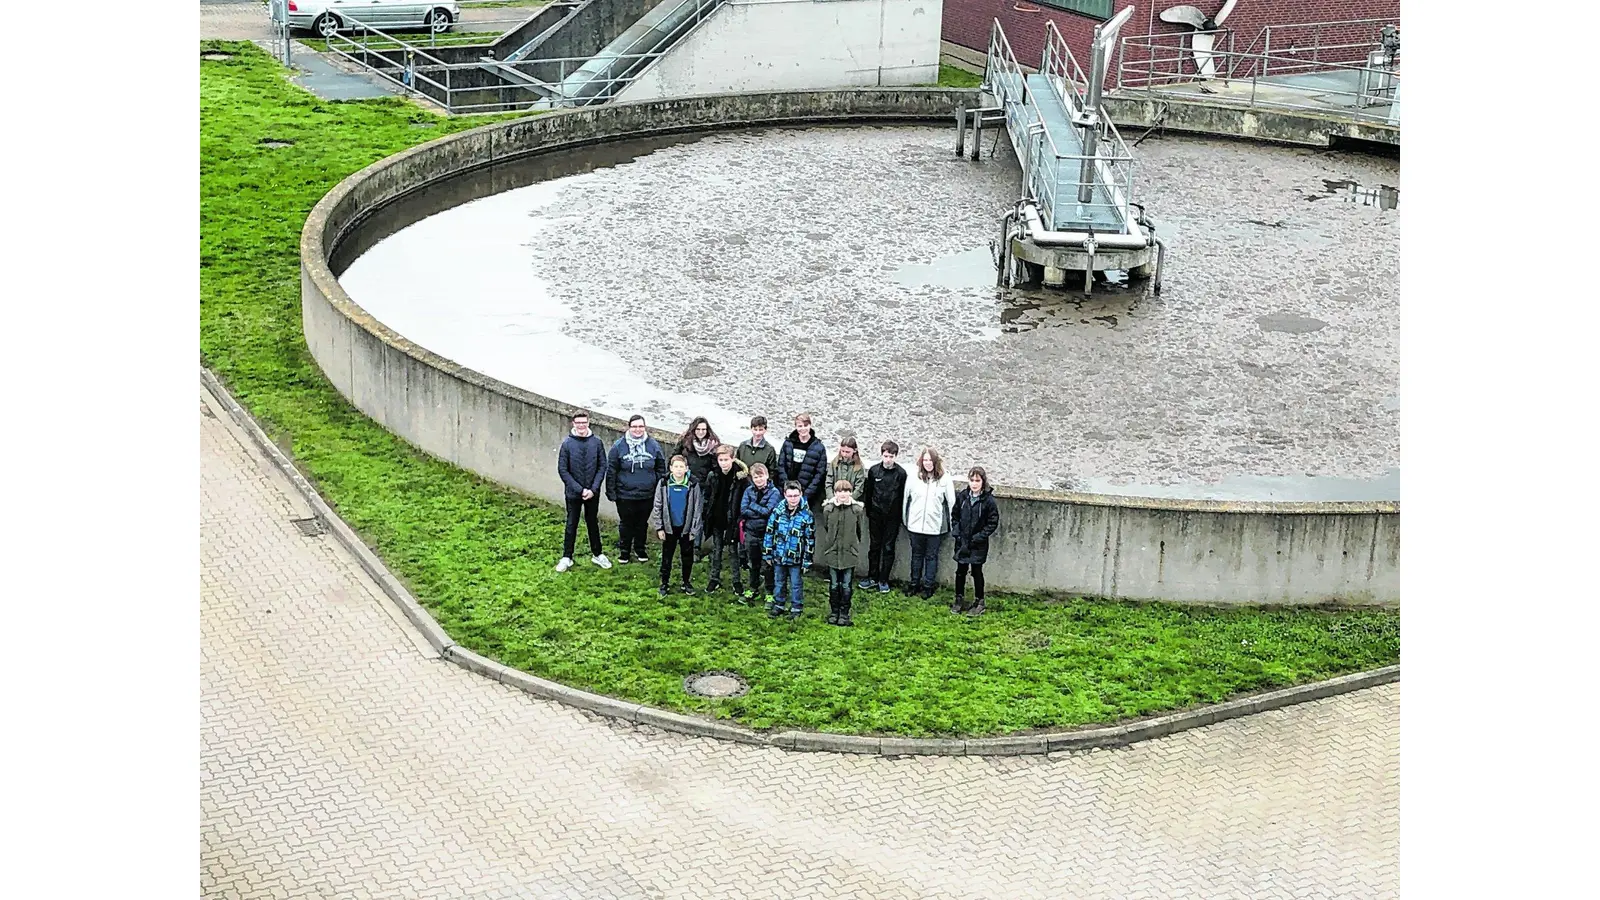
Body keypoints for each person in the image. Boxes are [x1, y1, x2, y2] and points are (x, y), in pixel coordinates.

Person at [555, 410, 611, 573]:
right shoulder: (567, 444)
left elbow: (602, 466)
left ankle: (597, 554)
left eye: (584, 422)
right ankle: (567, 557)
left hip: (593, 493)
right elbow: (563, 470)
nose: (581, 426)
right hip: (574, 493)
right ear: (573, 424)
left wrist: (593, 489)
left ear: (588, 423)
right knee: (571, 523)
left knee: (592, 522)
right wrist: (580, 490)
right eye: (578, 423)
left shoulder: (597, 442)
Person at [606, 414, 666, 564]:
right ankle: (624, 551)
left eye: (641, 426)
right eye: (634, 426)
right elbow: (612, 470)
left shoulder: (653, 445)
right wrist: (611, 491)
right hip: (625, 494)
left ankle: (640, 549)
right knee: (626, 523)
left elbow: (660, 467)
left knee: (642, 524)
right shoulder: (619, 446)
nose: (638, 429)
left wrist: (656, 487)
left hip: (647, 495)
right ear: (629, 428)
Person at [902, 446, 956, 599]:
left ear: (935, 461)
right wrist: (907, 521)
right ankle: (914, 583)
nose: (927, 463)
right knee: (916, 556)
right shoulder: (913, 477)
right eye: (925, 460)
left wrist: (951, 526)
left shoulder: (945, 479)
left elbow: (951, 504)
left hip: (935, 528)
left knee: (931, 557)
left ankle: (928, 586)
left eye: (930, 460)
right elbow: (906, 500)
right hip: (915, 525)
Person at [649, 455, 703, 598]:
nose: (679, 470)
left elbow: (697, 508)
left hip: (686, 528)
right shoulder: (664, 483)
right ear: (671, 468)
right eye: (676, 467)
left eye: (681, 467)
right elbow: (658, 505)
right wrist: (659, 527)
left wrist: (694, 530)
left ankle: (686, 582)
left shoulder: (693, 484)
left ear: (686, 469)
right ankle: (664, 583)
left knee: (687, 558)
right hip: (669, 528)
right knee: (667, 556)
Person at [951, 466, 1001, 615]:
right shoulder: (963, 496)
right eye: (972, 480)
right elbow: (955, 516)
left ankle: (980, 600)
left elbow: (992, 522)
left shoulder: (988, 501)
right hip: (963, 541)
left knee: (977, 571)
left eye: (977, 480)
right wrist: (957, 533)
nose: (974, 483)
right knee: (960, 571)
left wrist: (979, 537)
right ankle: (959, 598)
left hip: (978, 544)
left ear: (982, 482)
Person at [699, 444, 749, 594]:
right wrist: (706, 514)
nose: (723, 463)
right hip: (716, 519)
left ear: (732, 459)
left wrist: (739, 519)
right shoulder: (713, 475)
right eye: (721, 460)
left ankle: (736, 581)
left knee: (733, 552)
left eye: (726, 459)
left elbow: (743, 499)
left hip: (732, 521)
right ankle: (714, 578)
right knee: (717, 550)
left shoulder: (740, 478)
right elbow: (707, 496)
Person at [817, 479, 867, 627]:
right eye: (839, 491)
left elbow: (859, 531)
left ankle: (844, 613)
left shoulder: (856, 510)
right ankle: (834, 612)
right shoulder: (828, 509)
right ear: (835, 493)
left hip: (849, 553)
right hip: (833, 552)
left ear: (851, 493)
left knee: (846, 585)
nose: (843, 494)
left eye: (846, 491)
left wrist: (853, 546)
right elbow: (827, 527)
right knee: (834, 584)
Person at [762, 481, 815, 621]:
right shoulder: (777, 512)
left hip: (796, 557)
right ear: (785, 495)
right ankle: (779, 605)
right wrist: (767, 552)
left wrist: (807, 561)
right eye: (790, 496)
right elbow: (769, 532)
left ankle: (796, 607)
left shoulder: (806, 515)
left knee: (796, 584)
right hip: (779, 555)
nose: (793, 499)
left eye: (796, 496)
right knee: (779, 582)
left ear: (801, 495)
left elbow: (810, 539)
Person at [862, 440, 907, 593]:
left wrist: (899, 516)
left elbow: (902, 497)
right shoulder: (874, 471)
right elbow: (869, 493)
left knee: (888, 548)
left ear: (895, 456)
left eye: (891, 456)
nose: (888, 459)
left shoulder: (901, 474)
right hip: (875, 515)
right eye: (885, 456)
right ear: (881, 455)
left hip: (892, 518)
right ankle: (872, 576)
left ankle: (884, 579)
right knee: (874, 547)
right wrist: (869, 511)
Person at [737, 463, 781, 604]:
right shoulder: (749, 491)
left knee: (768, 564)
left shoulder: (774, 492)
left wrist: (753, 506)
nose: (759, 480)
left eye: (761, 476)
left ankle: (770, 591)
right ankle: (753, 587)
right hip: (751, 532)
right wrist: (758, 510)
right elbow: (743, 510)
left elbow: (769, 512)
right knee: (753, 563)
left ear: (767, 476)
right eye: (756, 477)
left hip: (767, 533)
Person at [778, 413, 828, 513]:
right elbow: (781, 465)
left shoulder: (818, 447)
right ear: (796, 427)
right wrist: (787, 487)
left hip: (807, 494)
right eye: (800, 426)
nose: (803, 429)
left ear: (810, 426)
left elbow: (820, 473)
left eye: (806, 425)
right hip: (787, 491)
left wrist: (807, 493)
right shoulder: (788, 443)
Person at [734, 415, 779, 510]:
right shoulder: (743, 446)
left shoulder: (769, 450)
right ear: (751, 429)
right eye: (755, 429)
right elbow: (736, 464)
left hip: (757, 490)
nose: (758, 433)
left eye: (761, 429)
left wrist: (762, 485)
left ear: (765, 430)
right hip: (741, 486)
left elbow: (772, 471)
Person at [673, 416, 722, 486]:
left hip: (703, 484)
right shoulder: (685, 441)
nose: (701, 432)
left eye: (703, 429)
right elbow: (674, 457)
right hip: (685, 480)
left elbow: (716, 467)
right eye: (698, 429)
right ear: (694, 429)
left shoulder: (713, 444)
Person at [825, 435, 867, 503]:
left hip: (850, 501)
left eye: (847, 452)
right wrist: (831, 498)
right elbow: (829, 481)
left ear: (854, 451)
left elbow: (859, 487)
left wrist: (848, 499)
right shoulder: (835, 463)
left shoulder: (859, 467)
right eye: (842, 451)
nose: (844, 454)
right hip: (834, 499)